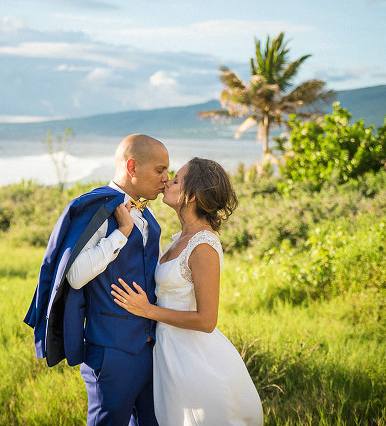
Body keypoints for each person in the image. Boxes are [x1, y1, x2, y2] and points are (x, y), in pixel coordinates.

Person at [24, 133, 170, 426]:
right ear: (132, 168)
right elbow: (76, 275)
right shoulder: (100, 209)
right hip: (112, 350)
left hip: (150, 346)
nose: (167, 178)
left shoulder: (146, 209)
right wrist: (122, 233)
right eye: (160, 170)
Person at [111, 157, 264, 426]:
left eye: (177, 180)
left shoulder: (203, 245)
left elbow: (207, 321)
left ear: (190, 195)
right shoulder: (179, 238)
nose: (167, 181)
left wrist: (148, 310)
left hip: (195, 359)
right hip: (168, 353)